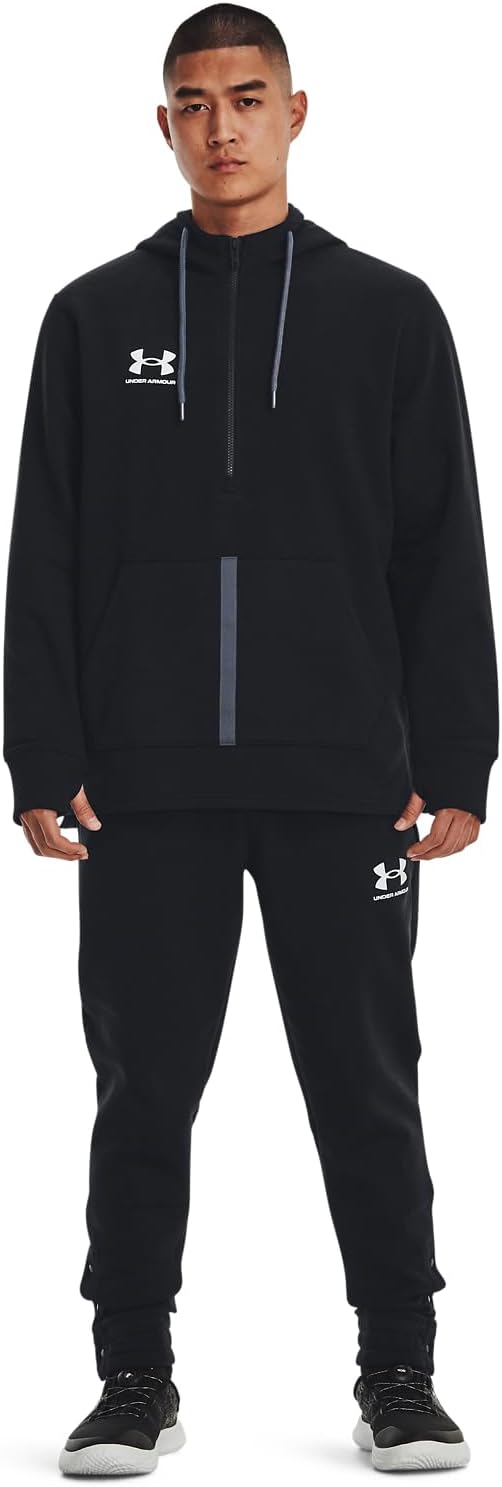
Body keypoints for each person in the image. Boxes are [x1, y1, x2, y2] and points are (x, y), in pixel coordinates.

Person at [3, 3, 498, 1476]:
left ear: (295, 111)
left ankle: (399, 1371)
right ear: (162, 124)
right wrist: (41, 752)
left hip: (344, 780)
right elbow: (46, 550)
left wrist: (457, 755)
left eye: (246, 96)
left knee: (366, 1083)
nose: (220, 126)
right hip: (144, 782)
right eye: (192, 102)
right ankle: (132, 1375)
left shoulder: (388, 313)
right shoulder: (93, 318)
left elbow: (440, 548)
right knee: (142, 1089)